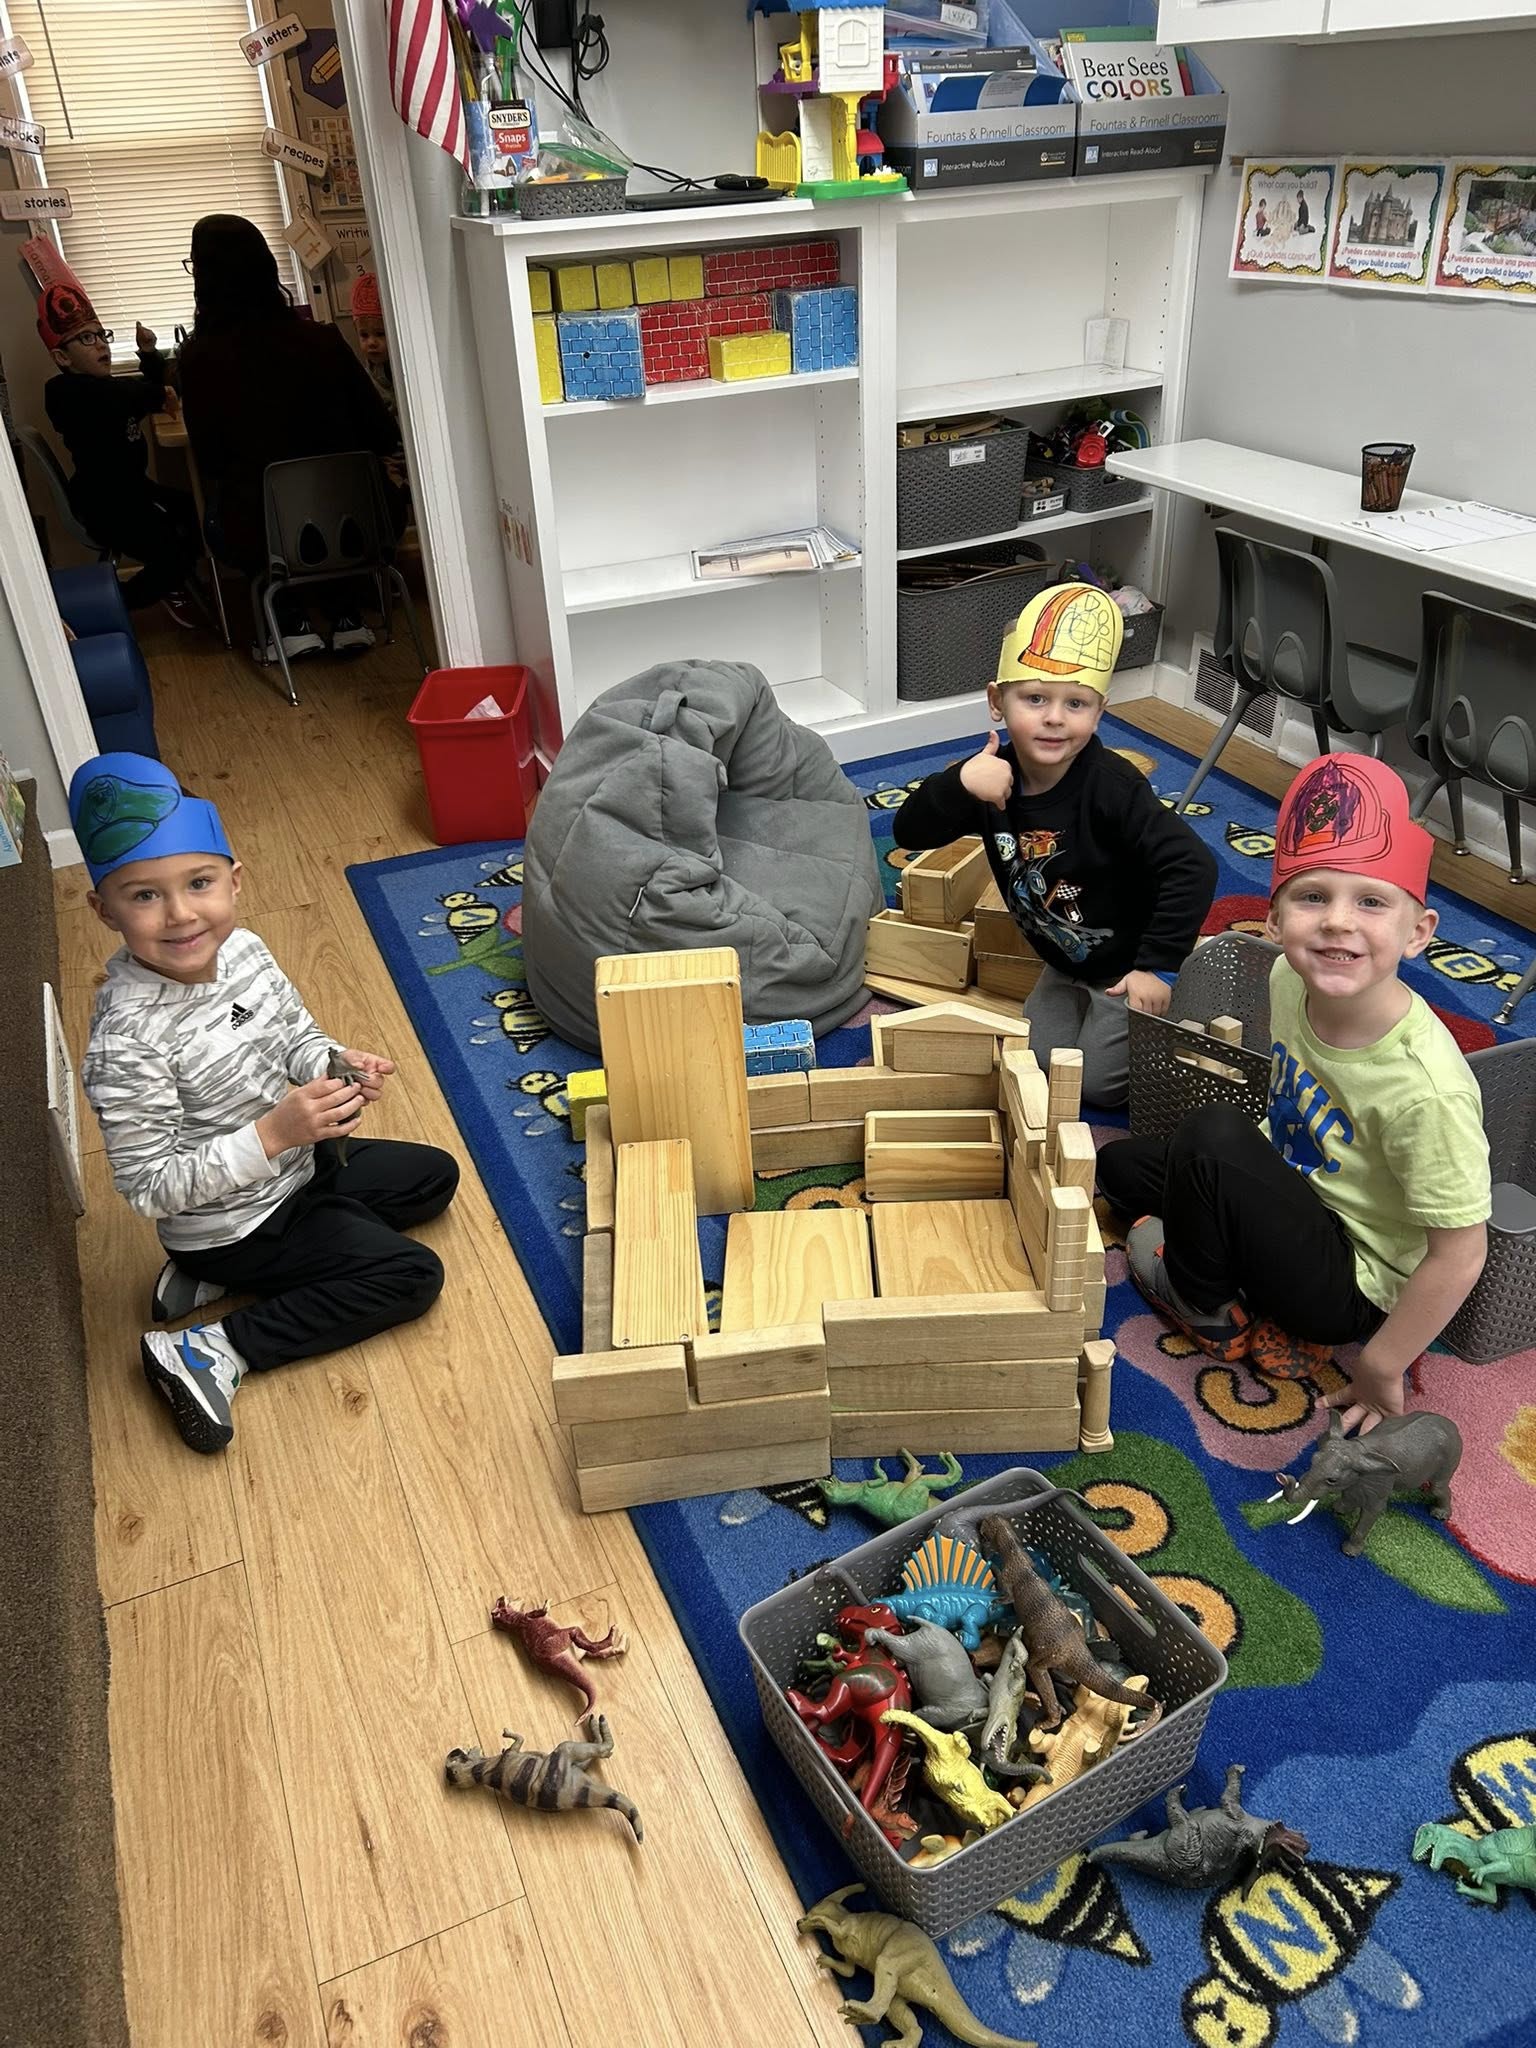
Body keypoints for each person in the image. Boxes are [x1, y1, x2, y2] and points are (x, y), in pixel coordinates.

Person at [72, 752, 459, 1454]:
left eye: (198, 883)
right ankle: (212, 1348)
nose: (182, 914)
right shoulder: (126, 1040)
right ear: (103, 909)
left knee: (435, 1177)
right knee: (410, 1273)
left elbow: (295, 1038)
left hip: (295, 1170)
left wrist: (335, 1064)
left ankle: (209, 1277)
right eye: (144, 896)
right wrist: (274, 1134)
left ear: (234, 880)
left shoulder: (246, 950)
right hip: (236, 1223)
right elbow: (149, 1187)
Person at [1097, 754, 1490, 1425]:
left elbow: (1461, 1255)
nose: (1338, 921)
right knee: (1118, 1165)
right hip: (1294, 1192)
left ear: (1418, 933)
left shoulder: (1427, 1088)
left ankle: (1210, 1308)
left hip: (1348, 1281)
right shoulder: (1286, 979)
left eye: (1371, 902)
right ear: (1273, 923)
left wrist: (1380, 1364)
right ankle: (1239, 1276)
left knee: (1213, 1135)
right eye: (1313, 897)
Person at [891, 583, 1216, 1107]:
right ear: (998, 702)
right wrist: (958, 785)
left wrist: (1154, 966)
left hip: (1123, 964)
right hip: (1065, 958)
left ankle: (1172, 1001)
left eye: (1076, 703)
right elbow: (909, 833)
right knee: (1035, 1061)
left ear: (1099, 711)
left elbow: (1192, 865)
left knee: (1096, 1089)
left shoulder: (1111, 787)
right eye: (1035, 698)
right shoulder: (989, 777)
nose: (1055, 717)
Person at [178, 215, 402, 664]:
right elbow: (383, 431)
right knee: (338, 491)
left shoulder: (199, 359)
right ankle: (345, 614)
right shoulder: (323, 340)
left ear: (205, 279)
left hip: (259, 533)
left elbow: (211, 460)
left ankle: (289, 617)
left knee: (235, 499)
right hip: (358, 522)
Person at [39, 282, 200, 626]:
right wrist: (157, 392)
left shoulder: (109, 387)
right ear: (62, 357)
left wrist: (148, 353)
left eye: (101, 335)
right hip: (105, 503)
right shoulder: (65, 392)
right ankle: (115, 604)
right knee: (172, 550)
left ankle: (172, 582)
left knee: (197, 512)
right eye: (86, 338)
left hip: (133, 492)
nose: (99, 344)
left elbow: (142, 388)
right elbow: (121, 395)